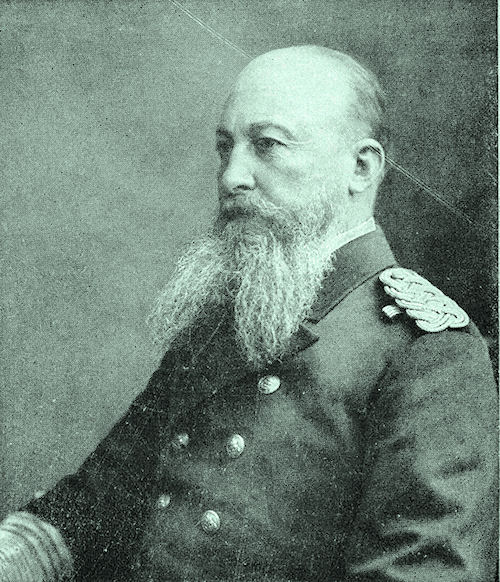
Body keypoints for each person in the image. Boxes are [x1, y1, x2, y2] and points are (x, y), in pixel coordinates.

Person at [0, 45, 497, 582]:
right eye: (225, 147)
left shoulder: (429, 352)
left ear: (360, 168)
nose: (232, 176)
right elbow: (92, 506)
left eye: (267, 145)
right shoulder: (226, 319)